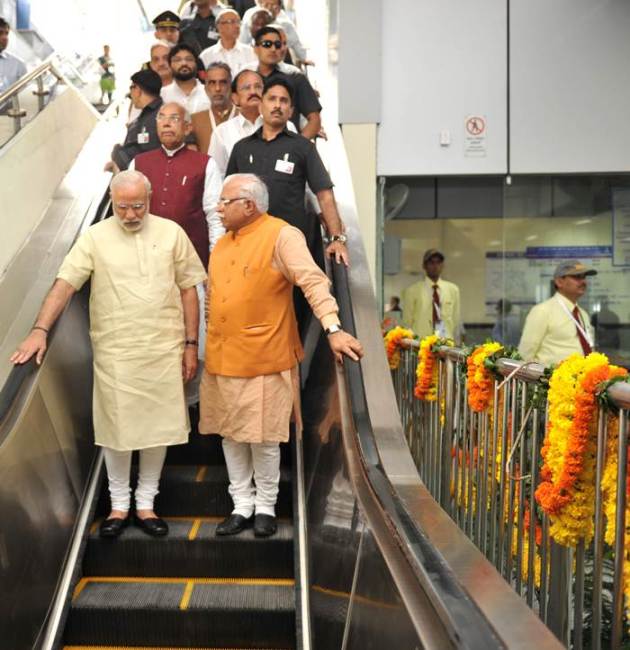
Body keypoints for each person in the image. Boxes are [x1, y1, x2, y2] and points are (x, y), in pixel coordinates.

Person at [10, 170, 207, 539]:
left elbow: (188, 290)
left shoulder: (171, 233)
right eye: (122, 208)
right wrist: (39, 330)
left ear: (149, 200)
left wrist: (191, 344)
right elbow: (65, 285)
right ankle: (119, 505)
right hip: (116, 350)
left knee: (157, 429)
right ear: (112, 202)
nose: (130, 215)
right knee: (116, 429)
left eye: (137, 206)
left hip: (163, 348)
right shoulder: (95, 237)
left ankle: (146, 504)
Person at [198, 173, 363, 537]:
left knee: (264, 436)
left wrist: (333, 328)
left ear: (249, 205)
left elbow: (312, 280)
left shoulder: (282, 235)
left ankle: (265, 507)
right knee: (231, 435)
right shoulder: (223, 243)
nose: (218, 208)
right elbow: (213, 297)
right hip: (223, 357)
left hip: (264, 357)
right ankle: (241, 504)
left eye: (225, 202)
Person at [131, 102, 223, 403]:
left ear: (187, 127)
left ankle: (194, 409)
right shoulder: (139, 163)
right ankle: (162, 403)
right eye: (162, 118)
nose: (167, 123)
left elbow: (214, 215)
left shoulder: (205, 163)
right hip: (149, 271)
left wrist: (215, 266)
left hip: (193, 269)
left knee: (195, 340)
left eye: (175, 119)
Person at [226, 77, 347, 264]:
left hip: (290, 247)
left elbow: (324, 194)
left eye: (284, 101)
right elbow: (228, 200)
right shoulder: (242, 148)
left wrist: (337, 239)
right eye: (272, 99)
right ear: (261, 106)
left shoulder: (303, 147)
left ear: (290, 111)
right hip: (248, 246)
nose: (277, 105)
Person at [209, 68, 294, 176]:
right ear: (234, 98)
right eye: (246, 88)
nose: (253, 92)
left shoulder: (287, 126)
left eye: (258, 87)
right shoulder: (221, 132)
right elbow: (217, 176)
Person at [518, 261, 596, 366]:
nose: (583, 282)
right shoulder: (542, 311)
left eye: (584, 277)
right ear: (559, 282)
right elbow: (524, 355)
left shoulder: (583, 314)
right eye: (577, 277)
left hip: (583, 378)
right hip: (552, 380)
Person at [248, 26, 321, 139]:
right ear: (255, 48)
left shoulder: (295, 77)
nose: (273, 49)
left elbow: (315, 119)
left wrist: (297, 147)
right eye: (267, 44)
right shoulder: (247, 79)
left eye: (277, 45)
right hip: (251, 146)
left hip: (287, 148)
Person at [107, 69, 163, 172]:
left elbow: (147, 155)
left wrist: (117, 153)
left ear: (137, 89)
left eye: (131, 88)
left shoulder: (158, 117)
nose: (130, 94)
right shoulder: (147, 114)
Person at [402, 249, 462, 343]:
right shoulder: (412, 291)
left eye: (438, 262)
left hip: (446, 344)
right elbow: (407, 323)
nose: (435, 266)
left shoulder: (453, 290)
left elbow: (456, 321)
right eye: (431, 262)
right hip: (421, 345)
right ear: (424, 266)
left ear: (443, 266)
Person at [199, 8, 257, 74]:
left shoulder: (251, 52)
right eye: (232, 22)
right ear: (219, 26)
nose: (237, 26)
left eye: (238, 22)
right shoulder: (206, 56)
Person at [161, 43, 210, 113]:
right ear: (169, 65)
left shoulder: (209, 92)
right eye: (177, 60)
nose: (184, 63)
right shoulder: (162, 95)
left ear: (196, 64)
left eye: (189, 59)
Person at [260, 0, 311, 66]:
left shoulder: (286, 25)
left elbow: (296, 44)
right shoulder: (252, 23)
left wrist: (303, 59)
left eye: (272, 5)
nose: (269, 8)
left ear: (278, 9)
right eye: (266, 5)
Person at [201, 61, 237, 131]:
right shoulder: (195, 120)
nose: (218, 88)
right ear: (205, 88)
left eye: (223, 82)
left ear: (230, 86)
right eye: (212, 83)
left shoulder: (245, 116)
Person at [0, 17, 26, 94]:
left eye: (6, 33)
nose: (5, 38)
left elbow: (25, 95)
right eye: (0, 33)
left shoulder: (18, 64)